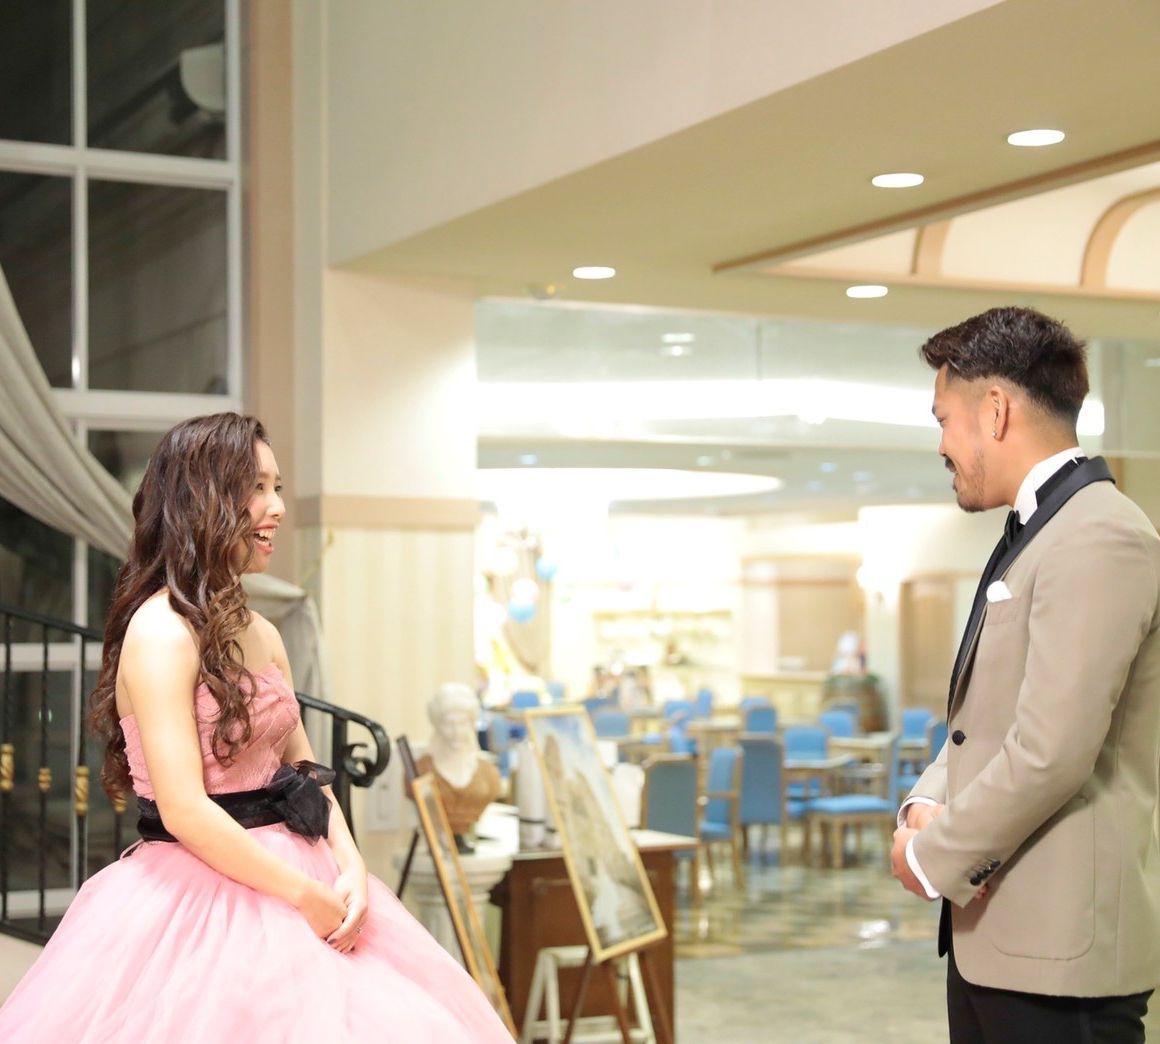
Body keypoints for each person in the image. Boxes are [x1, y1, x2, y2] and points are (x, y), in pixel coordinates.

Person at [0, 413, 511, 1042]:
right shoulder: (160, 632)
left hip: (306, 869)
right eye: (258, 488)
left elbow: (304, 772)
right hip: (203, 892)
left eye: (278, 487)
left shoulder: (263, 633)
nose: (278, 507)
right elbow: (184, 809)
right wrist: (301, 894)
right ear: (202, 501)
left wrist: (350, 864)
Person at [892, 308, 1160, 1042]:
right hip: (998, 945)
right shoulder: (1042, 529)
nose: (941, 445)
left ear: (996, 410)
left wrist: (931, 857)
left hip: (1060, 959)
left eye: (944, 420)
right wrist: (924, 802)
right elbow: (983, 720)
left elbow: (1051, 750)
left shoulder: (1100, 534)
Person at [415, 683, 501, 852]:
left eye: (462, 723)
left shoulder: (488, 773)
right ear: (437, 725)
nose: (456, 732)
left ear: (471, 724)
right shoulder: (422, 770)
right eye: (449, 724)